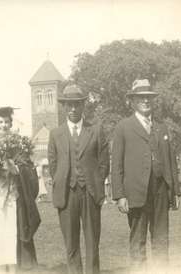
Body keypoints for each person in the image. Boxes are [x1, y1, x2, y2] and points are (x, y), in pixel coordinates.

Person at [111, 79, 181, 272]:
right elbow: (116, 164)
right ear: (133, 101)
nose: (145, 101)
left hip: (160, 191)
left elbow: (170, 159)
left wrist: (175, 190)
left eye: (148, 97)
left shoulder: (161, 127)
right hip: (135, 192)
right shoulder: (123, 127)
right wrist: (119, 195)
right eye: (141, 97)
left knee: (161, 239)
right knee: (138, 239)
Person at [48, 85, 110, 274]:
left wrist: (96, 182)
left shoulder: (95, 130)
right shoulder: (56, 133)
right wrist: (64, 180)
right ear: (64, 107)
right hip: (67, 194)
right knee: (71, 242)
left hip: (90, 193)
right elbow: (53, 164)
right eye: (69, 105)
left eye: (76, 105)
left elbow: (104, 162)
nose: (73, 109)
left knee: (92, 241)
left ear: (83, 106)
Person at [0, 107, 40, 274]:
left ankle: (12, 270)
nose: (3, 125)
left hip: (12, 196)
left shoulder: (18, 143)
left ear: (11, 124)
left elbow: (26, 167)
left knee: (10, 234)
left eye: (6, 122)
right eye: (0, 122)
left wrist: (14, 168)